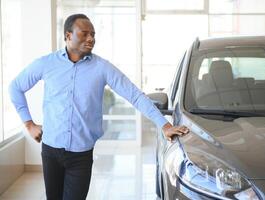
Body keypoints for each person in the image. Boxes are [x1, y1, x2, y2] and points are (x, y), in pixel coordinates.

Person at [9, 14, 189, 200]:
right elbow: (15, 87)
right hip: (50, 150)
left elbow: (135, 95)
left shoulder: (102, 68)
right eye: (85, 33)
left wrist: (164, 125)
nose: (91, 39)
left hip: (81, 155)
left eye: (93, 34)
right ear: (68, 35)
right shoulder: (46, 63)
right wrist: (29, 124)